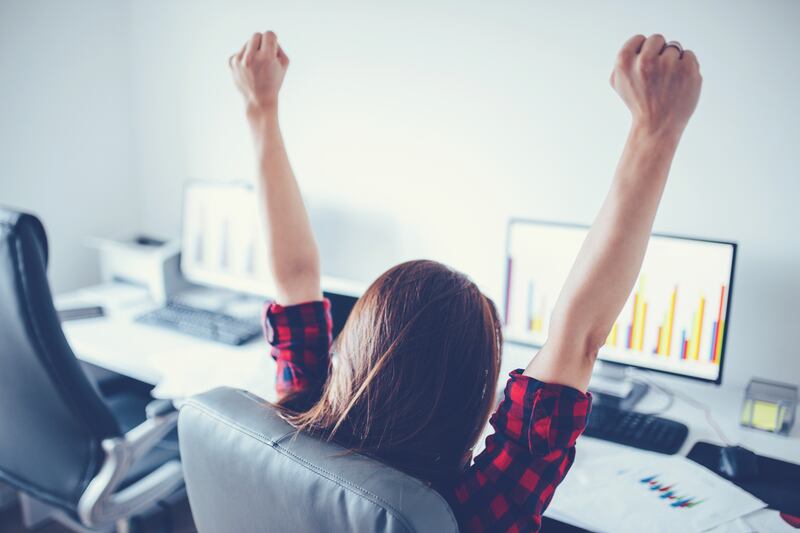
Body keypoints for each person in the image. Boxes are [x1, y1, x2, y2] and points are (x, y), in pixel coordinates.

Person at [229, 31, 701, 532]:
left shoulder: (297, 419)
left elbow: (296, 277)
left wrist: (261, 107)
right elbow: (576, 339)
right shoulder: (467, 515)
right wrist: (655, 130)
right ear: (480, 401)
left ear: (353, 347)